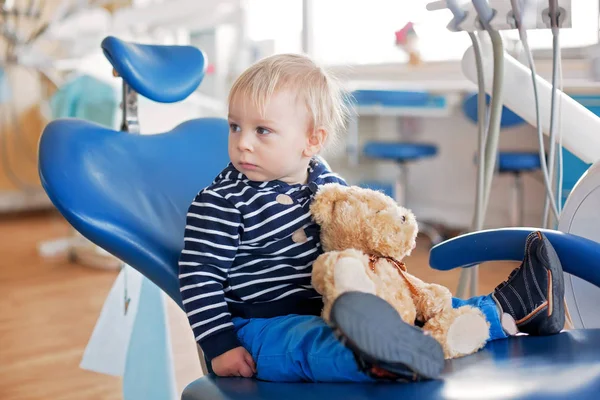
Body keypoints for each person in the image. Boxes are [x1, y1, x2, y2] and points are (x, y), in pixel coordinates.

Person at [178, 53, 566, 383]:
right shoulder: (223, 202)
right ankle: (382, 358)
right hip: (263, 326)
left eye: (262, 130)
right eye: (235, 126)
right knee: (310, 344)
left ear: (311, 141)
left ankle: (511, 309)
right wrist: (220, 346)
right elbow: (198, 278)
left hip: (340, 305)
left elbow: (356, 231)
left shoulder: (324, 180)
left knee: (423, 306)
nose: (242, 141)